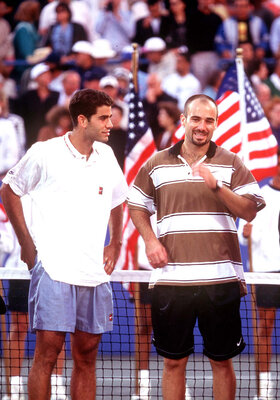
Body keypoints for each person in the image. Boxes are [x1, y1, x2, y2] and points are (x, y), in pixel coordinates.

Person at [127, 94, 266, 400]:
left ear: (216, 124)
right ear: (184, 120)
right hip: (171, 282)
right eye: (196, 118)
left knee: (222, 362)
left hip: (220, 281)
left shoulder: (232, 162)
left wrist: (217, 186)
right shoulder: (156, 163)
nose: (202, 126)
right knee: (174, 363)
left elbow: (249, 210)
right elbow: (136, 204)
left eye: (209, 120)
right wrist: (150, 241)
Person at [0, 88, 128, 400]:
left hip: (94, 274)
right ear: (82, 120)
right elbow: (9, 190)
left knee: (87, 355)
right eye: (104, 118)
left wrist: (116, 243)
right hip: (54, 270)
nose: (111, 123)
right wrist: (26, 243)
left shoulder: (107, 155)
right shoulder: (45, 152)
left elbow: (117, 200)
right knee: (48, 353)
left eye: (110, 117)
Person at [238, 148, 280, 400]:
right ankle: (264, 391)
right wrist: (245, 234)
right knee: (264, 329)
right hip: (266, 272)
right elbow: (243, 230)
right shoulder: (260, 197)